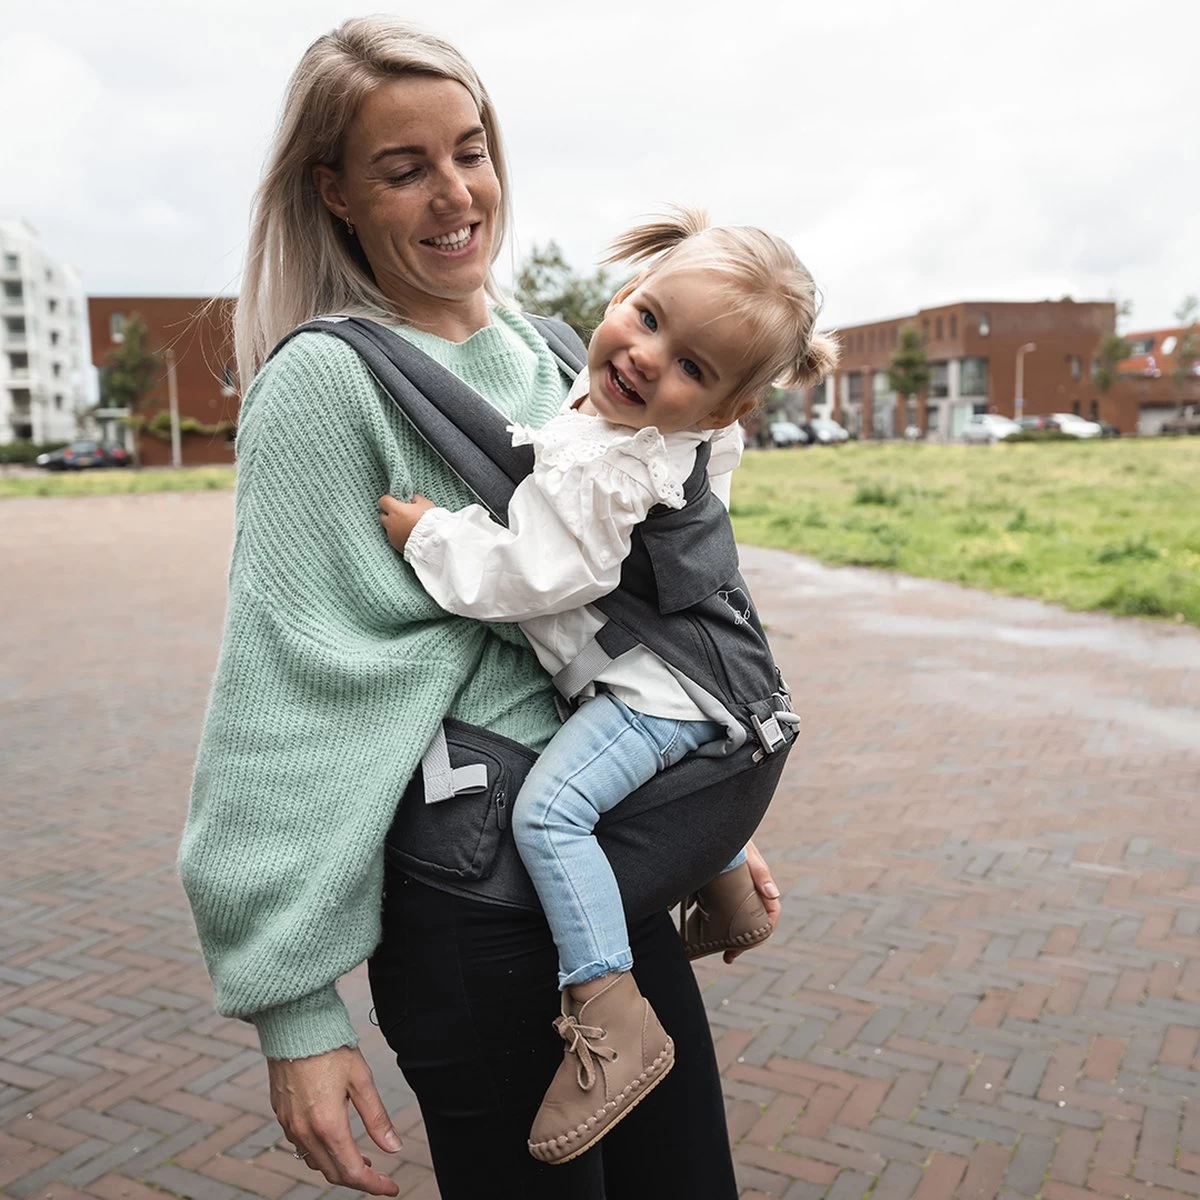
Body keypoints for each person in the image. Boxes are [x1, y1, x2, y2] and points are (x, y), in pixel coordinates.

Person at [178, 17, 785, 1198]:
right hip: (472, 902)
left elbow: (647, 623)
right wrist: (292, 1008)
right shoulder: (322, 385)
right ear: (336, 193)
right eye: (404, 169)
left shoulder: (558, 354)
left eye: (469, 151)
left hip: (604, 870)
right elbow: (282, 689)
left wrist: (700, 816)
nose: (455, 193)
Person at [377, 208, 836, 1164]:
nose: (645, 358)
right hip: (696, 679)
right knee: (612, 779)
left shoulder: (618, 466)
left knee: (551, 816)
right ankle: (725, 886)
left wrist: (432, 535)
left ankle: (607, 1007)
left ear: (719, 411)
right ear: (625, 292)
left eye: (692, 368)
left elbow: (535, 575)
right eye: (649, 317)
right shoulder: (657, 434)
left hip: (652, 695)